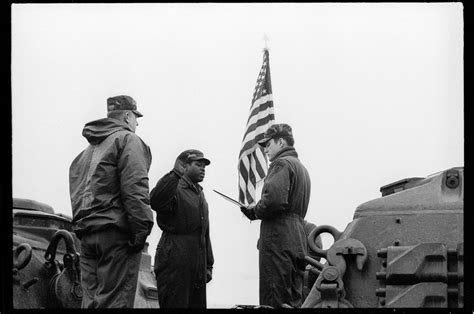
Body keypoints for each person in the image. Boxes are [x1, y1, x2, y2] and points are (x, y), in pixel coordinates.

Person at [69, 95, 154, 308]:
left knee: (90, 302)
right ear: (127, 116)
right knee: (115, 301)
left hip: (87, 236)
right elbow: (135, 188)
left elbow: (77, 194)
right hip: (116, 237)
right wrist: (141, 229)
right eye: (136, 117)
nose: (137, 122)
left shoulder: (85, 153)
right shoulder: (129, 140)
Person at [240, 123, 311, 308]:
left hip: (278, 238)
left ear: (281, 142)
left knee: (274, 297)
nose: (266, 150)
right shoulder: (301, 169)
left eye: (268, 144)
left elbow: (275, 201)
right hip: (297, 237)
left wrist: (253, 211)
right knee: (294, 299)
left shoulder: (281, 164)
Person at [151, 149, 214, 308]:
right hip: (174, 261)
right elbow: (155, 201)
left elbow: (204, 233)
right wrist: (174, 174)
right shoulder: (174, 186)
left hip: (196, 265)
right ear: (184, 166)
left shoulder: (200, 194)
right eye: (198, 164)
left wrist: (208, 265)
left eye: (204, 165)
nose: (203, 168)